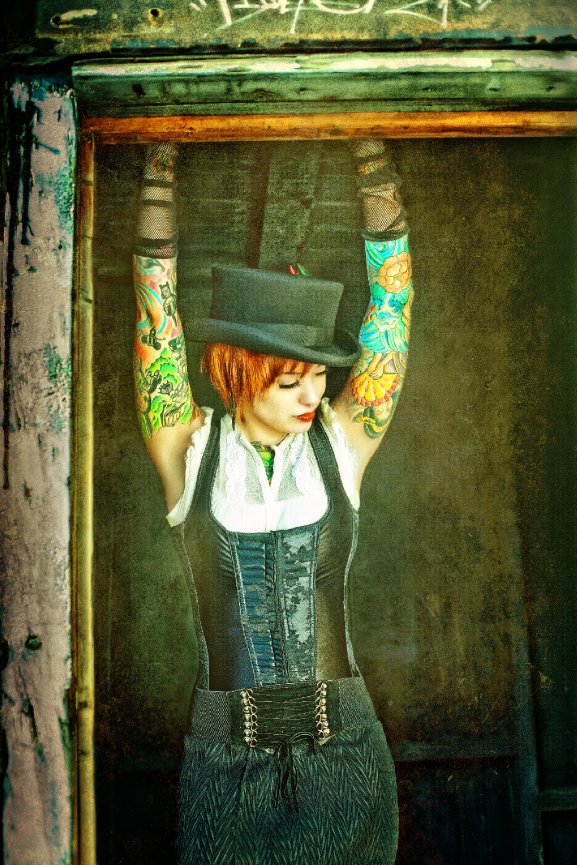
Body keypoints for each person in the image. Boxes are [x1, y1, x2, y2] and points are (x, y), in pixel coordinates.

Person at [132, 139, 413, 865]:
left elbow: (391, 316)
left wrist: (375, 178)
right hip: (225, 762)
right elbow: (156, 323)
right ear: (236, 371)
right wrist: (156, 179)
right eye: (289, 380)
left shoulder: (340, 445)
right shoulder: (188, 449)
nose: (312, 394)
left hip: (346, 752)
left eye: (318, 375)